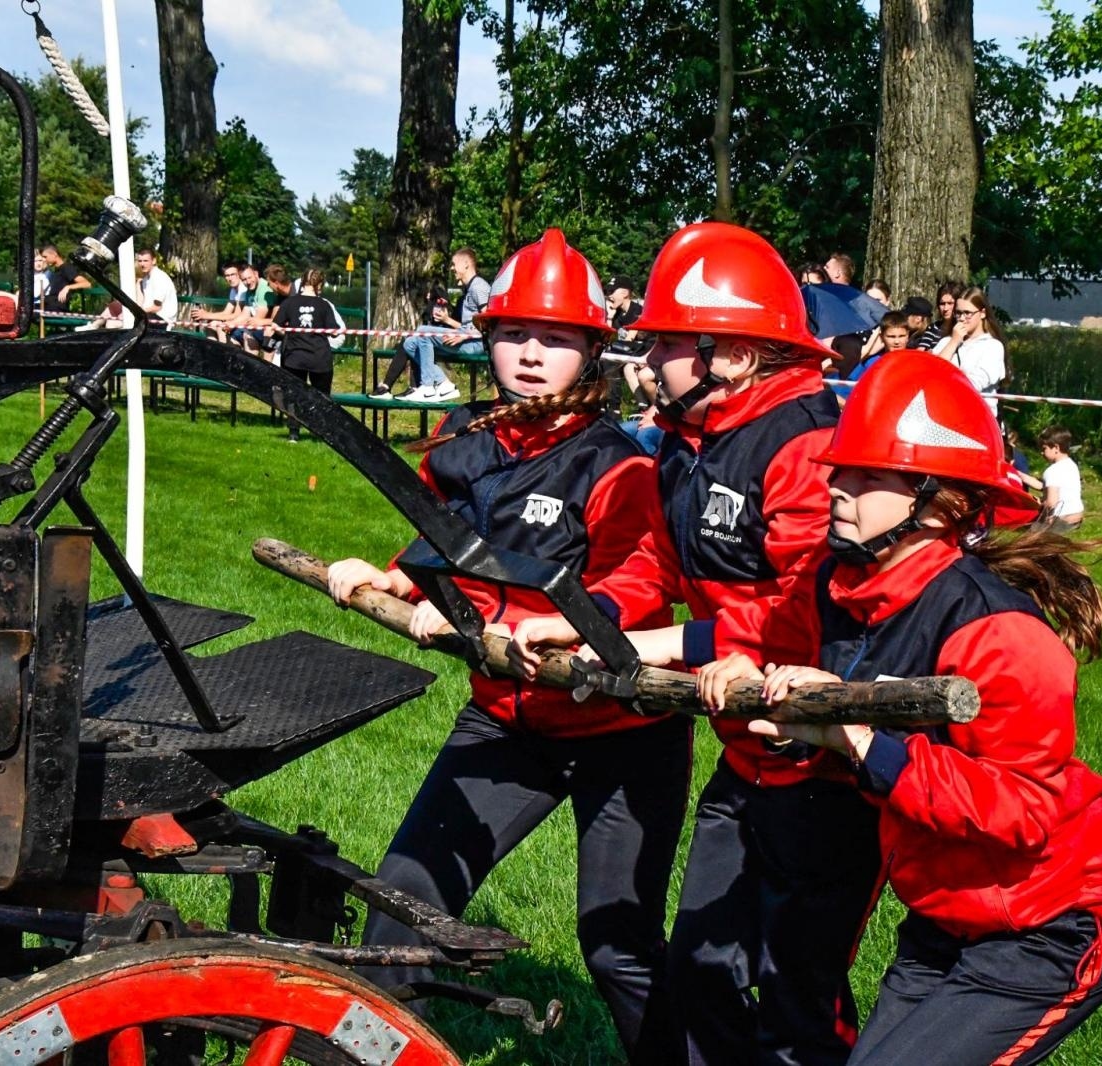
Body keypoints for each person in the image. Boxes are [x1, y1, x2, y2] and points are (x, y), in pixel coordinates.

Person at [690, 351, 1102, 1066]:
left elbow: (1023, 809)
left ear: (942, 502)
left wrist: (865, 745)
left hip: (1053, 921)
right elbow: (774, 645)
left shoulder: (997, 631)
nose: (838, 488)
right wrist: (750, 671)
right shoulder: (837, 579)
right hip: (945, 913)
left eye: (870, 476)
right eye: (841, 469)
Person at [507, 221, 873, 1066]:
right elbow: (653, 564)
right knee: (703, 968)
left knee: (798, 990)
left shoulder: (806, 442)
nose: (646, 360)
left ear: (730, 355)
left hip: (828, 763)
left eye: (666, 343)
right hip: (743, 754)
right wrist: (585, 617)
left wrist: (673, 643)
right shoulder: (684, 441)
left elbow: (807, 606)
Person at [328, 229, 686, 1064]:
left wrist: (560, 620)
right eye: (516, 333)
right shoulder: (463, 440)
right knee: (403, 909)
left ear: (593, 349)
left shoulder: (614, 462)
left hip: (622, 732)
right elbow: (441, 538)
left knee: (617, 945)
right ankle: (367, 1052)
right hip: (507, 723)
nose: (531, 354)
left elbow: (640, 579)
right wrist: (402, 581)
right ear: (487, 337)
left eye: (556, 339)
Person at [397, 247, 490, 403]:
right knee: (410, 343)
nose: (452, 268)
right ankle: (444, 383)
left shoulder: (478, 286)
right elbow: (468, 324)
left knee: (422, 332)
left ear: (466, 264)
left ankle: (427, 387)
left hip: (475, 343)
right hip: (467, 338)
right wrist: (447, 320)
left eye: (454, 264)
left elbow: (488, 322)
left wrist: (463, 337)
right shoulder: (469, 289)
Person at [270, 268, 346, 442]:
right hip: (319, 357)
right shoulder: (324, 304)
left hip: (294, 357)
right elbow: (333, 331)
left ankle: (293, 433)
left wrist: (288, 334)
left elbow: (275, 325)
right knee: (322, 396)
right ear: (320, 284)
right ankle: (322, 432)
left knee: (293, 394)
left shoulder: (289, 303)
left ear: (302, 282)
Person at [931, 286, 1006, 416]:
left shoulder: (993, 347)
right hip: (944, 414)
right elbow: (932, 373)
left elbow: (976, 383)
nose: (961, 318)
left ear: (982, 313)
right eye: (958, 313)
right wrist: (954, 342)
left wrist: (947, 381)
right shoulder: (946, 342)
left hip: (977, 419)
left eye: (968, 313)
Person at [1037, 425, 1084, 533]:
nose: (1041, 452)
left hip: (1061, 520)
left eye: (1044, 448)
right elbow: (1042, 485)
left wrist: (1038, 504)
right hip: (1077, 515)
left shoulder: (1052, 471)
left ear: (1056, 448)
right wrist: (1021, 475)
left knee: (1030, 539)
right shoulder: (1071, 465)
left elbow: (1052, 503)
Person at [133, 248, 178, 325]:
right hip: (149, 316)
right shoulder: (145, 279)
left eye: (145, 261)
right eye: (140, 261)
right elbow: (141, 303)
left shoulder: (159, 277)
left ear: (153, 261)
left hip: (163, 320)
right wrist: (138, 285)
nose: (142, 264)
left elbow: (156, 307)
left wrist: (138, 312)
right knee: (114, 321)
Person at [41, 245, 90, 313]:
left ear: (54, 254)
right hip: (50, 304)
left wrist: (68, 287)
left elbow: (87, 284)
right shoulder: (57, 269)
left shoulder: (66, 268)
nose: (44, 260)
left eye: (45, 257)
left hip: (57, 307)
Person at [913, 282, 960, 351]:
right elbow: (920, 351)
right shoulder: (933, 328)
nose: (945, 308)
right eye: (942, 304)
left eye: (950, 303)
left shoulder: (962, 328)